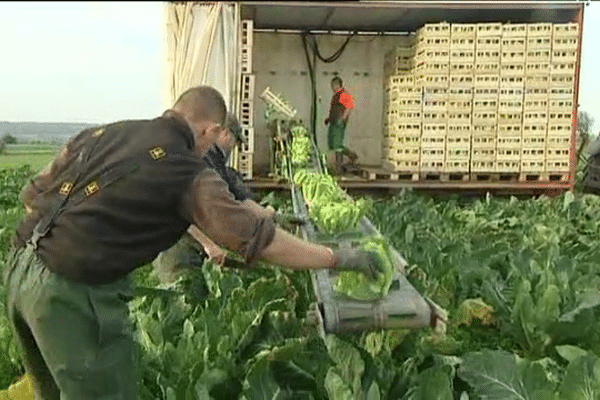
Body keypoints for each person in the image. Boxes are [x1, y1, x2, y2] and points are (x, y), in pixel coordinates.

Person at [3, 85, 383, 399]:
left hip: (19, 271)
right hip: (69, 291)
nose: (211, 148)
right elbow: (258, 242)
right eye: (215, 137)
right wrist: (338, 259)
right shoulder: (186, 169)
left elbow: (29, 194)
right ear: (208, 130)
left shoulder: (101, 133)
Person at [324, 76, 359, 174]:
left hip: (339, 123)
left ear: (337, 85)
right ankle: (337, 165)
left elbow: (349, 107)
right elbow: (334, 109)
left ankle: (347, 159)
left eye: (332, 85)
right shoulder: (336, 95)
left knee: (337, 145)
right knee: (332, 144)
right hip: (333, 122)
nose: (332, 88)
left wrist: (343, 118)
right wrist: (329, 118)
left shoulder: (343, 95)